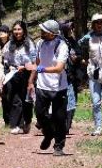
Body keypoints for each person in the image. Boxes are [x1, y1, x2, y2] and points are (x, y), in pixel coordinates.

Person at [26, 20, 69, 156]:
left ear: (52, 33)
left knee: (59, 118)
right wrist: (31, 81)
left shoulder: (61, 46)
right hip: (42, 86)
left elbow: (59, 68)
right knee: (39, 114)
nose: (41, 33)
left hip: (58, 87)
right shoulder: (39, 44)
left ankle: (59, 146)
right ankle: (49, 133)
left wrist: (39, 69)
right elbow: (36, 63)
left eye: (44, 31)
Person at [1, 20, 36, 135]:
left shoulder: (30, 43)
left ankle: (27, 121)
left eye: (19, 29)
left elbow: (34, 61)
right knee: (14, 99)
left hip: (26, 74)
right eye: (15, 29)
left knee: (26, 100)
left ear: (24, 30)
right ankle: (16, 124)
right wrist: (10, 66)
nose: (17, 32)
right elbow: (5, 59)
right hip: (13, 74)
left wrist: (25, 67)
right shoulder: (9, 44)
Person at [59, 20, 84, 133]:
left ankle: (66, 125)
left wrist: (76, 58)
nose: (71, 30)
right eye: (68, 28)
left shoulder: (72, 41)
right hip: (59, 76)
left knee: (71, 101)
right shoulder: (58, 41)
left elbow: (79, 54)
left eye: (71, 28)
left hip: (72, 76)